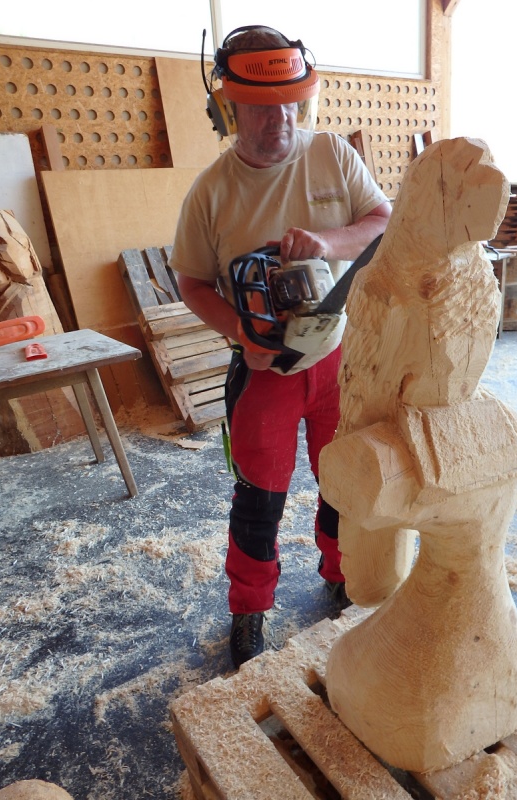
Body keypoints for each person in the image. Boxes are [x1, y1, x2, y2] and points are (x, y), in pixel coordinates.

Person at [169, 24, 392, 669]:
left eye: (291, 104)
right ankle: (249, 610)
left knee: (341, 481)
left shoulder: (332, 155)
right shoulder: (211, 191)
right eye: (262, 109)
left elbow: (382, 221)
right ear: (227, 110)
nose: (280, 121)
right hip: (265, 368)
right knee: (259, 497)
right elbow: (191, 282)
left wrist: (328, 242)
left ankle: (342, 573)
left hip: (336, 360)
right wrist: (238, 332)